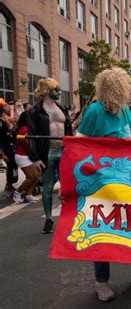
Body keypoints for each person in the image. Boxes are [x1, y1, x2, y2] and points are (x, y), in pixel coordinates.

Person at [77, 67, 131, 302]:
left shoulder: (125, 110)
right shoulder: (94, 111)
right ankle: (101, 282)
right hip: (101, 184)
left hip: (127, 180)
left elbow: (129, 138)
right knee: (102, 232)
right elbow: (79, 145)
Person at [27, 78, 72, 234]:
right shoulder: (34, 111)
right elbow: (31, 135)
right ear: (46, 90)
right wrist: (35, 158)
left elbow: (68, 131)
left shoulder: (63, 108)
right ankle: (48, 219)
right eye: (56, 89)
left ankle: (70, 217)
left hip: (64, 151)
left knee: (69, 185)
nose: (59, 92)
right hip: (48, 153)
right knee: (48, 187)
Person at [13, 112, 41, 203]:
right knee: (31, 177)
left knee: (36, 176)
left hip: (27, 155)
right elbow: (29, 145)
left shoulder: (27, 128)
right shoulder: (25, 130)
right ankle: (17, 192)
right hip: (22, 156)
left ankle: (29, 195)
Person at [0, 98, 18, 194]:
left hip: (8, 144)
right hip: (3, 146)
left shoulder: (4, 117)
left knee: (12, 164)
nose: (8, 106)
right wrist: (2, 154)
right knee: (10, 164)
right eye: (5, 105)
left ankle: (9, 184)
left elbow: (12, 125)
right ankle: (9, 185)